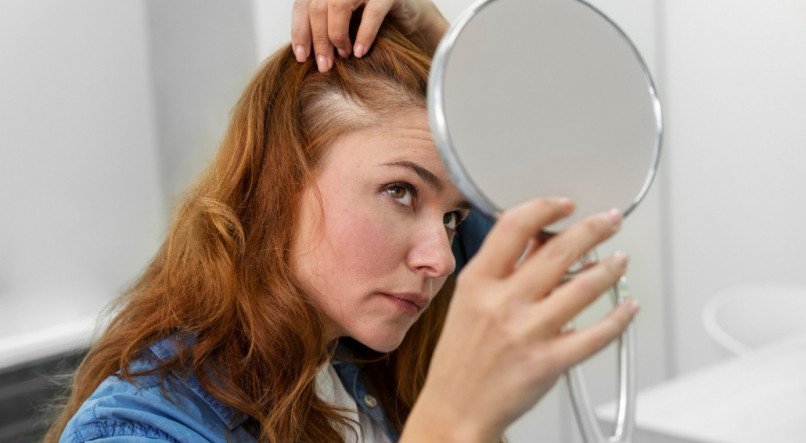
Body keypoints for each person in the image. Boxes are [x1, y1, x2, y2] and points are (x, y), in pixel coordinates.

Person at [47, 1, 638, 442]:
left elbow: (559, 183)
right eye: (400, 191)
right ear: (278, 182)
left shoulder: (354, 355)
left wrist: (449, 48)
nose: (443, 258)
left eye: (454, 217)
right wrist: (451, 424)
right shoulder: (141, 430)